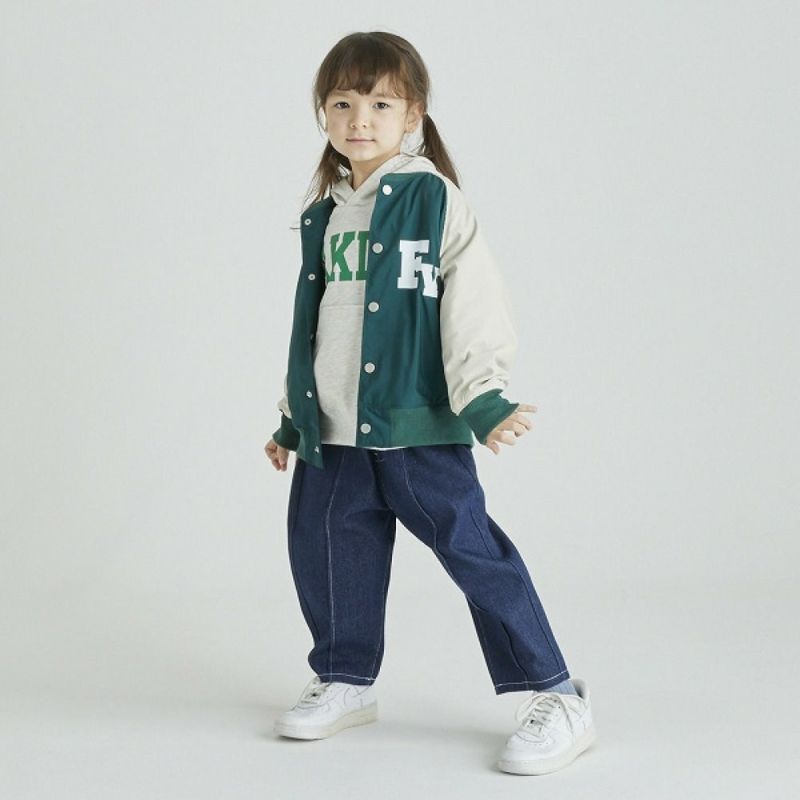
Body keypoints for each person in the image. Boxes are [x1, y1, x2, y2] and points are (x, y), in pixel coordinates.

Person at [263, 31, 596, 776]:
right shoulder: (325, 214)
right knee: (326, 552)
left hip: (415, 426)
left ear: (412, 115)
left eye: (381, 104)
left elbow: (472, 300)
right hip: (335, 433)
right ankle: (345, 678)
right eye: (343, 103)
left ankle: (555, 693)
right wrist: (292, 416)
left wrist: (483, 396)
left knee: (472, 552)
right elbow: (314, 328)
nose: (360, 119)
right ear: (323, 113)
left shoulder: (431, 197)